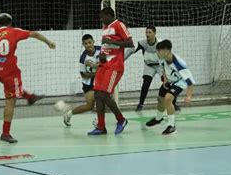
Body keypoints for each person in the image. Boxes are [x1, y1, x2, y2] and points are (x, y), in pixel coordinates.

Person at [0, 13, 56, 143]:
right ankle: (5, 133)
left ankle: (30, 97)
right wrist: (48, 42)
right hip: (10, 72)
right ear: (10, 23)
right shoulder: (13, 31)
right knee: (11, 101)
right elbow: (34, 34)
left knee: (14, 91)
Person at [88, 7, 133, 135]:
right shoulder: (105, 26)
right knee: (97, 94)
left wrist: (110, 41)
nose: (101, 19)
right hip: (104, 64)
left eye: (103, 17)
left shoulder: (119, 25)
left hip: (115, 65)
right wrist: (102, 55)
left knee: (104, 94)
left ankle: (121, 120)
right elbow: (105, 45)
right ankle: (101, 127)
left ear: (109, 15)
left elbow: (130, 43)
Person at [125, 26, 180, 112]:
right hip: (149, 66)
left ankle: (173, 103)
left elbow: (168, 54)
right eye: (146, 32)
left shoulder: (160, 43)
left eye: (150, 32)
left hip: (160, 66)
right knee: (145, 84)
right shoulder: (142, 43)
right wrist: (122, 59)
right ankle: (140, 104)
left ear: (154, 33)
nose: (147, 34)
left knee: (169, 83)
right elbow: (132, 50)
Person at [145, 40, 194, 135]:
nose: (157, 52)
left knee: (168, 99)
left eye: (159, 50)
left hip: (179, 82)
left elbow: (190, 82)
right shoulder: (161, 58)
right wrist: (165, 79)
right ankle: (159, 118)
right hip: (170, 80)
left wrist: (188, 96)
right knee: (160, 99)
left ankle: (172, 126)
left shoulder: (179, 64)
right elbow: (162, 68)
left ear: (167, 51)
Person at [63, 34, 101, 126]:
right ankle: (69, 114)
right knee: (89, 106)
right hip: (88, 84)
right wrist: (98, 72)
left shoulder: (101, 50)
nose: (88, 45)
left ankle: (98, 121)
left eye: (90, 42)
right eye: (86, 43)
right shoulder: (83, 58)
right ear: (83, 45)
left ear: (93, 42)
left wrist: (94, 66)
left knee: (103, 100)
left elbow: (107, 63)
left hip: (100, 82)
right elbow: (83, 75)